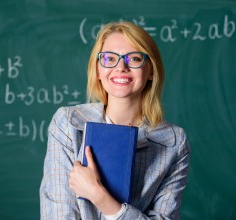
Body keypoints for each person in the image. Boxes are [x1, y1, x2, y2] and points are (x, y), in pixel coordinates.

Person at [40, 21, 190, 220]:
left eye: (134, 58)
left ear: (151, 70)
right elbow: (57, 214)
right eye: (109, 58)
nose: (121, 67)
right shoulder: (68, 123)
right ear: (98, 70)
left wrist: (99, 196)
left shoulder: (173, 142)